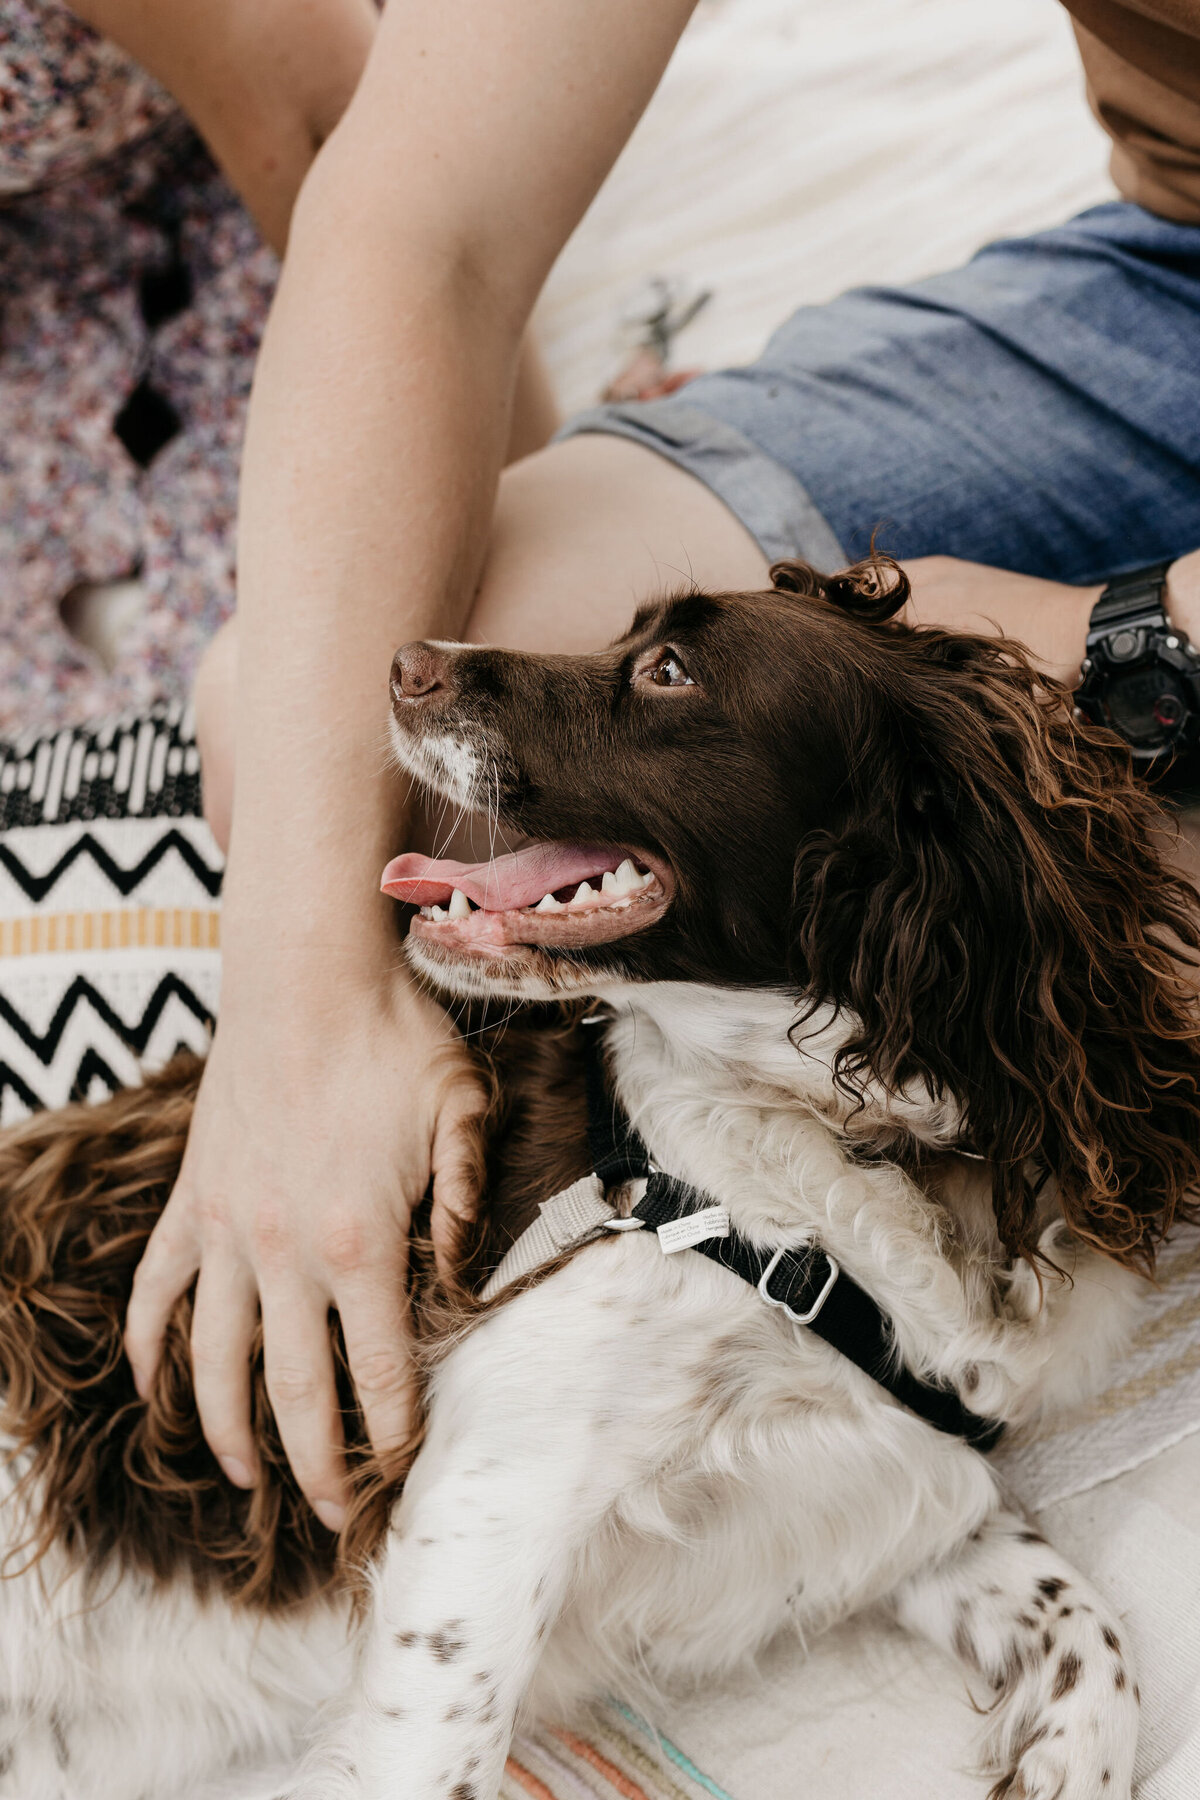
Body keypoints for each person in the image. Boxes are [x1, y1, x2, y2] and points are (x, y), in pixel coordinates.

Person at [61, 0, 1200, 1538]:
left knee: (1123, 948)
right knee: (313, 732)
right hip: (1166, 296)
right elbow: (425, 229)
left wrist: (1086, 646)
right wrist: (298, 1003)